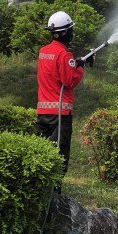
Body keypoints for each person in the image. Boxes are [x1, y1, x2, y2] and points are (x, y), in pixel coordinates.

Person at [35, 10, 95, 178]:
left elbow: (55, 70)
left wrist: (75, 63)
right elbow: (69, 81)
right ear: (66, 32)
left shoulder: (43, 52)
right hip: (60, 116)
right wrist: (80, 67)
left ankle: (42, 189)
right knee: (58, 157)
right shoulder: (64, 55)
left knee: (42, 154)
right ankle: (55, 192)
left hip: (43, 114)